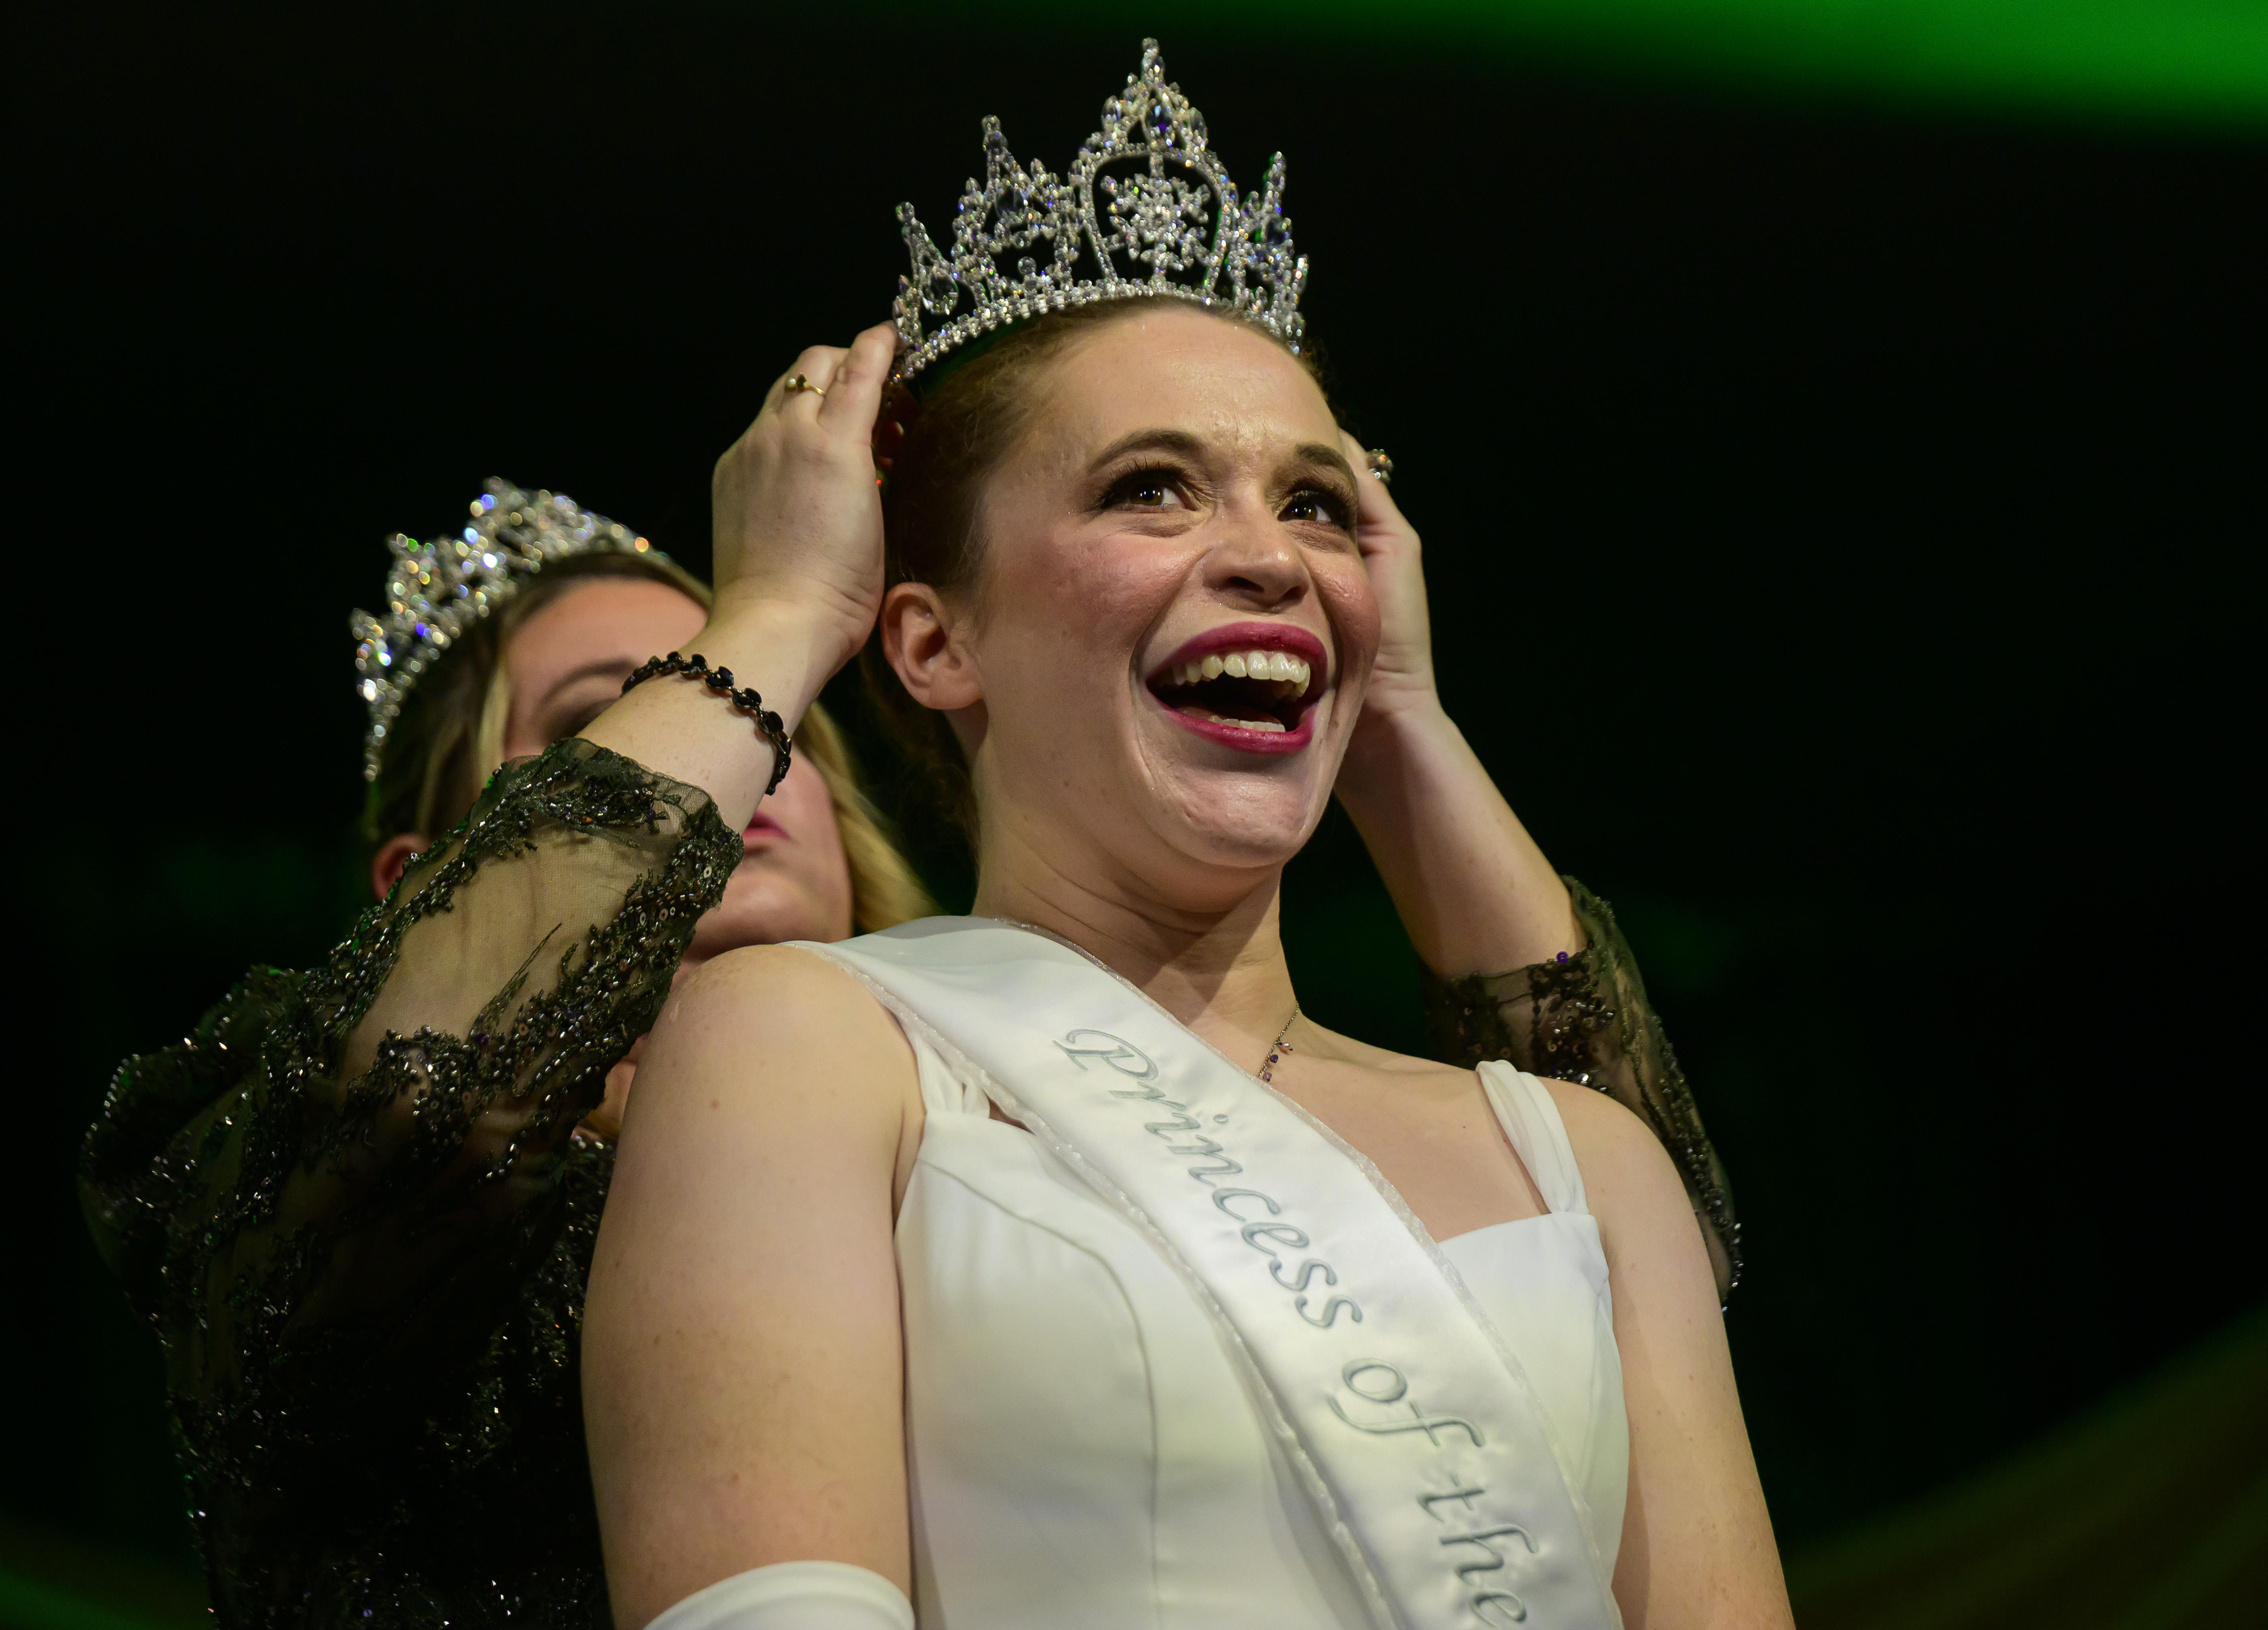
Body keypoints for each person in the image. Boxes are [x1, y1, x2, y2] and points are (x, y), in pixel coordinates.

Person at [583, 42, 1786, 1630]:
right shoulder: (808, 1051)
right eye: (1150, 489)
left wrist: (1398, 705)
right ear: (930, 640)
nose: (1267, 557)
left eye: (1316, 506)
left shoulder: (1586, 1163)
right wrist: (784, 606)